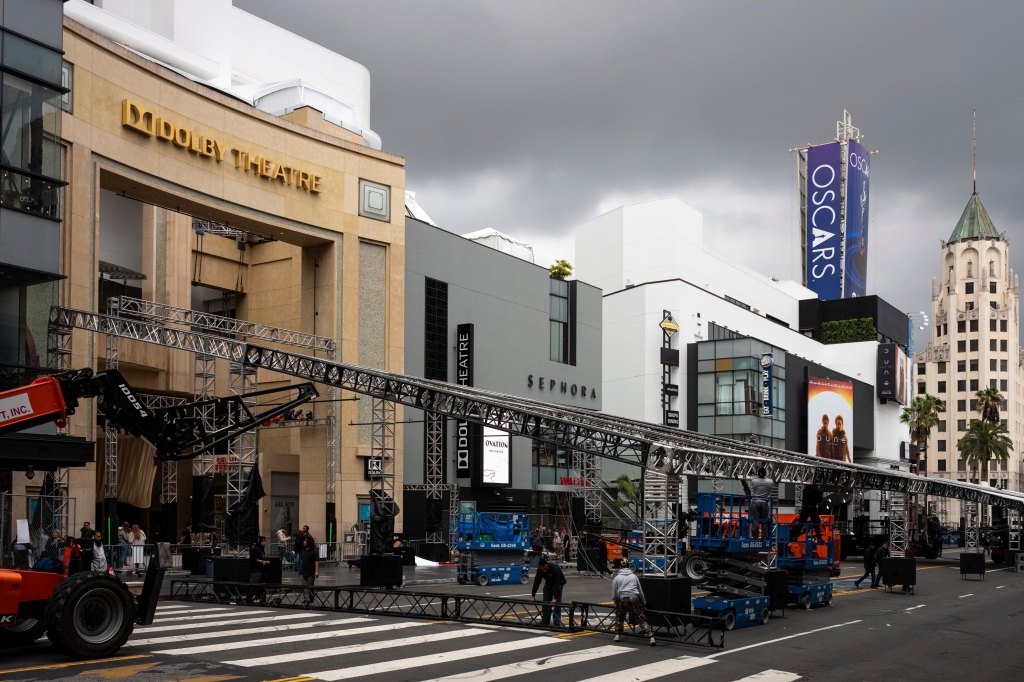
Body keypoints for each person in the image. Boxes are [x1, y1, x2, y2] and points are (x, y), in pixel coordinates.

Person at [611, 558, 655, 646]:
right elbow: (640, 591)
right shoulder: (634, 577)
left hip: (623, 599)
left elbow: (614, 594)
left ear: (620, 567)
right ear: (628, 567)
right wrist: (644, 602)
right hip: (634, 598)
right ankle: (650, 636)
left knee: (620, 616)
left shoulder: (617, 578)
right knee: (640, 617)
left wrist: (616, 601)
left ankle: (618, 634)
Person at [531, 556, 566, 627]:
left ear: (546, 564)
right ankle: (545, 621)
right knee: (546, 602)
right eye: (542, 569)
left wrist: (555, 597)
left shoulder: (554, 568)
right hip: (549, 583)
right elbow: (537, 582)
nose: (544, 571)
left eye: (544, 569)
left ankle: (556, 623)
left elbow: (557, 583)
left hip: (559, 583)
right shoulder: (540, 570)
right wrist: (533, 595)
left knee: (556, 604)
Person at [742, 467, 775, 539]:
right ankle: (764, 537)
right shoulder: (770, 482)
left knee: (755, 521)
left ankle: (755, 536)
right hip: (765, 502)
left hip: (755, 502)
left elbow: (754, 480)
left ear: (758, 474)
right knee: (764, 521)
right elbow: (771, 484)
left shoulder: (754, 481)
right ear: (765, 474)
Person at [247, 535, 270, 604]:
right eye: (262, 541)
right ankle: (249, 599)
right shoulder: (255, 549)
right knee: (254, 584)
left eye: (265, 541)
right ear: (259, 541)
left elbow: (261, 557)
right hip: (256, 570)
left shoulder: (262, 549)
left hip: (262, 569)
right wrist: (261, 561)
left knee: (261, 585)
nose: (264, 542)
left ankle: (260, 598)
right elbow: (253, 559)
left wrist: (265, 561)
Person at [299, 534, 319, 607]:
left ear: (309, 542)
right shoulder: (303, 550)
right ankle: (306, 599)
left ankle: (311, 599)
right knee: (304, 586)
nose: (304, 542)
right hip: (303, 571)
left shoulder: (314, 551)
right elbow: (303, 560)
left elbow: (316, 561)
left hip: (311, 571)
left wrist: (316, 571)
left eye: (305, 541)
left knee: (310, 586)